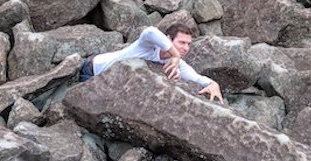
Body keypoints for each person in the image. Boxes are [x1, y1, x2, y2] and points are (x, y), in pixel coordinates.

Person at [80, 23, 223, 103]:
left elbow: (196, 78)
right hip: (92, 70)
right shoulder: (147, 44)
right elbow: (150, 31)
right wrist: (175, 54)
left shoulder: (177, 63)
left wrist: (213, 84)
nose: (186, 48)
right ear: (168, 39)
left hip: (112, 83)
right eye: (182, 42)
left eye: (189, 44)